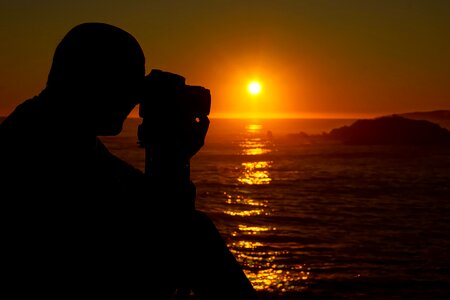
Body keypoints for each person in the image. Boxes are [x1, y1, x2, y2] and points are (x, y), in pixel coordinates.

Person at [0, 22, 258, 299]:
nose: (134, 99)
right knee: (197, 235)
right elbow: (163, 244)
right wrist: (173, 159)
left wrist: (173, 156)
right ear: (90, 78)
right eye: (125, 82)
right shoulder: (37, 148)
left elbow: (150, 204)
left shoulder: (59, 132)